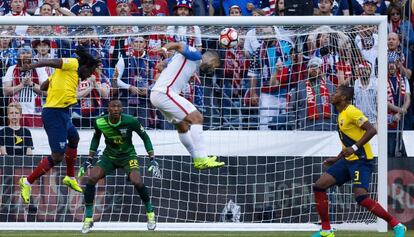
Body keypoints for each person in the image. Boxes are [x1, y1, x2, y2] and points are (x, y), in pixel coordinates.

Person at [311, 85, 407, 237]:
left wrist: (355, 148)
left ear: (343, 97)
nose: (332, 94)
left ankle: (397, 225)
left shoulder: (352, 111)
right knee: (319, 186)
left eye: (336, 92)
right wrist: (336, 159)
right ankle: (326, 231)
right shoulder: (341, 113)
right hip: (348, 160)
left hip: (362, 160)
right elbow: (348, 143)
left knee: (361, 198)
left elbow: (372, 130)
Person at [18, 46, 101, 204]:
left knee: (74, 138)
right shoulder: (73, 63)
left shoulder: (65, 74)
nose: (88, 76)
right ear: (86, 66)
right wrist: (32, 66)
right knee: (57, 156)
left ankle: (70, 177)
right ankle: (27, 182)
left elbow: (43, 87)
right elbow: (51, 61)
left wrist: (53, 82)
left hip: (63, 113)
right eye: (90, 72)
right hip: (53, 114)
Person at [81, 99, 160, 233]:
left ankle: (150, 213)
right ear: (108, 109)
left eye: (119, 106)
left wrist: (152, 158)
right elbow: (96, 139)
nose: (116, 109)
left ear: (122, 109)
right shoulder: (100, 122)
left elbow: (145, 137)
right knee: (91, 178)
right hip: (109, 157)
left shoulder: (130, 121)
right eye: (113, 106)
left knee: (137, 181)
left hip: (128, 156)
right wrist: (89, 159)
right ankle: (88, 219)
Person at [150, 42, 225, 170]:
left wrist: (174, 71)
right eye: (214, 66)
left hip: (158, 94)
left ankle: (197, 159)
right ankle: (202, 157)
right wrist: (164, 48)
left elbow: (160, 65)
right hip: (165, 93)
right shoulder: (195, 54)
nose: (213, 69)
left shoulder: (186, 61)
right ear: (212, 59)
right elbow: (179, 45)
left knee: (183, 126)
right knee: (197, 118)